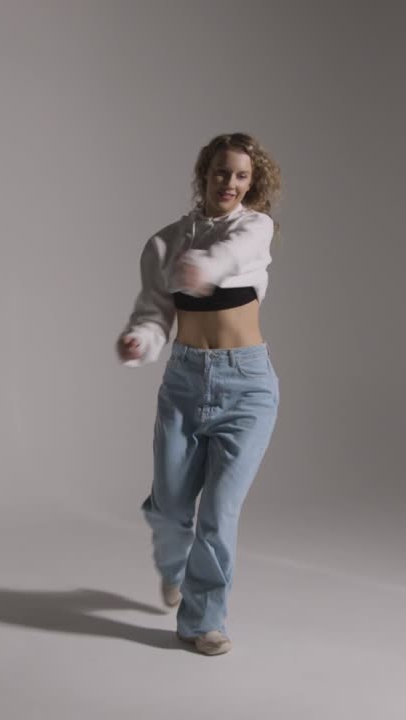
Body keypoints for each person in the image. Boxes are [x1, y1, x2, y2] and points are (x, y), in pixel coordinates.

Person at [116, 132, 281, 656]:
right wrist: (141, 340)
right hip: (185, 381)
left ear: (252, 183)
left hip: (248, 384)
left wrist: (206, 268)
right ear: (203, 174)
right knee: (170, 508)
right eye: (220, 172)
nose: (229, 183)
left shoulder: (256, 226)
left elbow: (235, 253)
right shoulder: (164, 243)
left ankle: (201, 621)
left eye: (241, 175)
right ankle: (173, 563)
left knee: (218, 513)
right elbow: (155, 312)